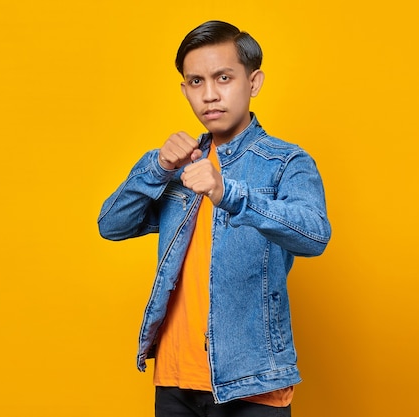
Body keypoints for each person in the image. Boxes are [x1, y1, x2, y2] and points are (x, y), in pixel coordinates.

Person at [98, 20, 331, 417]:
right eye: (195, 82)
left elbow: (314, 236)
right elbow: (112, 225)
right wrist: (156, 167)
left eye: (223, 78)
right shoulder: (178, 165)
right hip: (174, 379)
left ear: (253, 82)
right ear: (184, 89)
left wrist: (229, 194)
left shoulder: (286, 162)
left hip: (251, 379)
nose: (209, 95)